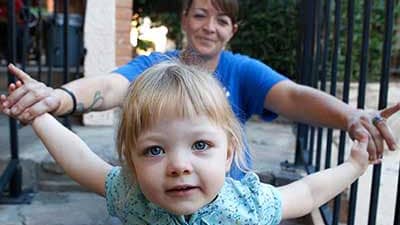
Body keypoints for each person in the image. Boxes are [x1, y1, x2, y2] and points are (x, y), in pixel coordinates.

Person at [1, 0, 399, 179]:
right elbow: (112, 85)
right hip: (162, 194)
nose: (211, 26)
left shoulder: (242, 70)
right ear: (185, 20)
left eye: (223, 19)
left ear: (233, 30)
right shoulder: (158, 67)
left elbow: (292, 96)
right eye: (201, 14)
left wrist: (350, 116)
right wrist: (60, 98)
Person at [1, 61, 380, 224]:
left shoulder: (245, 205)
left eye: (200, 145)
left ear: (229, 151)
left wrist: (355, 166)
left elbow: (309, 193)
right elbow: (81, 161)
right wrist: (39, 114)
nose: (179, 165)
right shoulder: (132, 193)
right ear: (130, 161)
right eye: (154, 150)